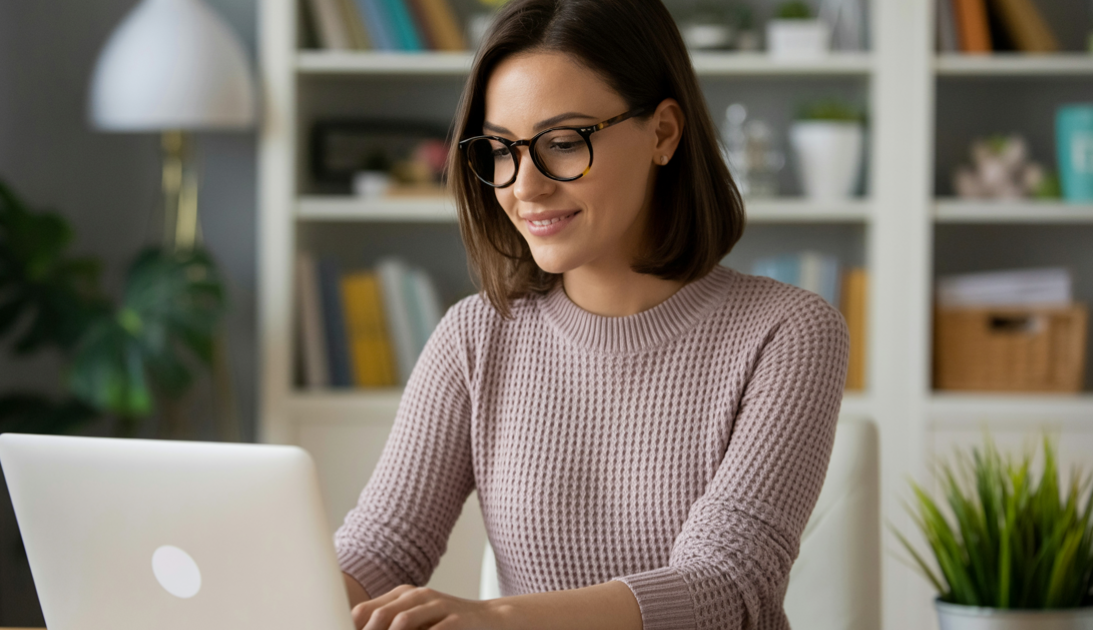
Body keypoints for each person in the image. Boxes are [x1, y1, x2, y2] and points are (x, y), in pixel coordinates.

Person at [332, 0, 850, 628]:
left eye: (562, 143)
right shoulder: (474, 336)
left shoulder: (787, 332)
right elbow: (382, 549)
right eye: (500, 150)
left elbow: (726, 585)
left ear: (663, 133)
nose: (524, 186)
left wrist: (497, 620)